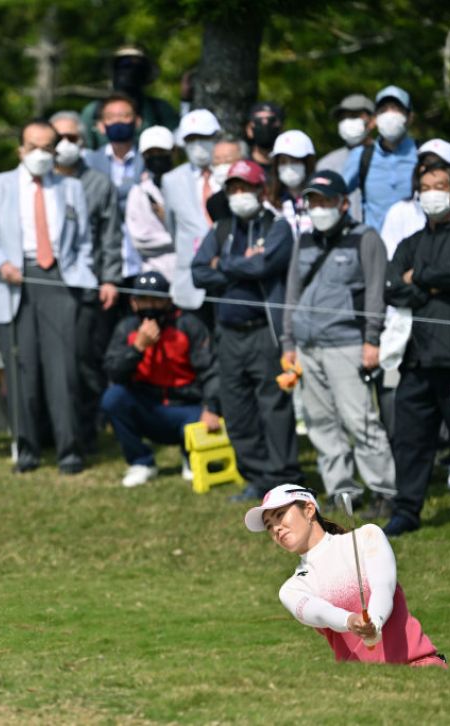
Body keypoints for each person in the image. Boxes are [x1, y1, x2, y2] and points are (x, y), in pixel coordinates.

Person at [0, 119, 95, 474]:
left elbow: (84, 240)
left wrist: (78, 271)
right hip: (14, 278)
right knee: (21, 369)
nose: (41, 154)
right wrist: (4, 265)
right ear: (20, 150)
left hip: (59, 277)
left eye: (48, 147)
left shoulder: (71, 187)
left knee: (63, 370)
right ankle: (26, 449)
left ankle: (69, 450)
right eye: (34, 147)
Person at [382, 161, 450, 537]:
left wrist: (421, 278)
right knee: (410, 440)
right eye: (425, 186)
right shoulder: (410, 242)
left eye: (440, 185)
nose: (432, 193)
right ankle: (407, 510)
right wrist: (429, 284)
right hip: (416, 357)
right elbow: (391, 287)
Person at [280, 170, 395, 515]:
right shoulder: (304, 241)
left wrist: (372, 339)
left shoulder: (366, 238)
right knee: (320, 423)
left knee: (359, 419)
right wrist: (288, 342)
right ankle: (342, 491)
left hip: (347, 343)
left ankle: (385, 490)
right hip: (307, 345)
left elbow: (376, 293)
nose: (319, 207)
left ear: (344, 204)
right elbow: (292, 295)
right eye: (313, 201)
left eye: (326, 201)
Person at [191, 160, 302, 497]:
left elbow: (267, 264)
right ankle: (257, 476)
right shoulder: (222, 229)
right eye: (234, 189)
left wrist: (224, 265)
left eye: (246, 188)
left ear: (260, 190)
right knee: (237, 408)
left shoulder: (278, 227)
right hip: (228, 332)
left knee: (273, 407)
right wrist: (244, 265)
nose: (240, 195)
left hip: (263, 332)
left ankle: (283, 475)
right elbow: (198, 271)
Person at [245, 485, 447, 667]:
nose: (276, 528)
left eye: (280, 515)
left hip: (420, 664)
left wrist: (374, 622)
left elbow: (383, 587)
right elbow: (320, 612)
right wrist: (351, 621)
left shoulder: (367, 536)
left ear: (309, 510)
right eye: (269, 525)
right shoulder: (292, 588)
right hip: (363, 684)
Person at [101, 271, 219, 487]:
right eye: (143, 300)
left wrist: (211, 407)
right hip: (149, 407)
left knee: (202, 418)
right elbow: (113, 371)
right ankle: (141, 462)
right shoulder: (126, 328)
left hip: (186, 408)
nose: (150, 306)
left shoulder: (189, 325)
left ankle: (191, 456)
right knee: (113, 398)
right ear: (134, 303)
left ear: (168, 301)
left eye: (156, 300)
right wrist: (137, 348)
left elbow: (211, 371)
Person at [52, 110, 123, 454]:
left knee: (84, 361)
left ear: (83, 142)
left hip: (87, 285)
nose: (65, 145)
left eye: (72, 138)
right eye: (58, 138)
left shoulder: (98, 183)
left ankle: (87, 431)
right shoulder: (39, 183)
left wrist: (110, 278)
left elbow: (111, 236)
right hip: (47, 285)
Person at [161, 109, 221, 311]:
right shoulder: (171, 180)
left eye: (204, 137)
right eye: (191, 138)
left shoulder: (230, 175)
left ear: (216, 137)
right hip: (190, 283)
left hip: (227, 276)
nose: (198, 144)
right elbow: (172, 227)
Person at [380, 140, 450, 259]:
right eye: (425, 165)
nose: (430, 172)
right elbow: (391, 263)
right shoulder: (399, 212)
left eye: (438, 165)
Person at [342, 85, 418, 233]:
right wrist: (351, 229)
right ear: (375, 119)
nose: (390, 115)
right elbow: (337, 193)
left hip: (417, 248)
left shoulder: (423, 152)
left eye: (396, 109)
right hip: (376, 247)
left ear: (409, 117)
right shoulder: (361, 156)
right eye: (383, 110)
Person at [80, 45, 180, 150]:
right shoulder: (92, 112)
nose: (129, 72)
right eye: (123, 65)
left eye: (137, 67)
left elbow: (177, 145)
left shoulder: (160, 109)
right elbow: (85, 152)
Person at [125, 126, 177, 282]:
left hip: (185, 272)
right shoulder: (139, 193)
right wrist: (180, 238)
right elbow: (140, 240)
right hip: (152, 274)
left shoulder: (189, 187)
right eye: (150, 154)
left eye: (161, 152)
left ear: (173, 152)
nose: (156, 158)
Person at [317, 94, 376, 222]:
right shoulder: (327, 164)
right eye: (343, 118)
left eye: (354, 116)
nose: (348, 122)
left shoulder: (386, 158)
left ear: (372, 121)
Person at [266, 130, 317, 241]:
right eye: (283, 162)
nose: (289, 167)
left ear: (307, 163)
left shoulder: (319, 200)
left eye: (295, 161)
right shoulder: (269, 204)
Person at [205, 137, 246, 222]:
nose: (222, 166)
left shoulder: (257, 194)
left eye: (228, 161)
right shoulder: (214, 203)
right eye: (217, 161)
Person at [244, 101, 284, 169]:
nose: (265, 123)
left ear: (281, 128)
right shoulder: (242, 168)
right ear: (249, 130)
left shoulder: (289, 166)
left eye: (271, 120)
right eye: (258, 120)